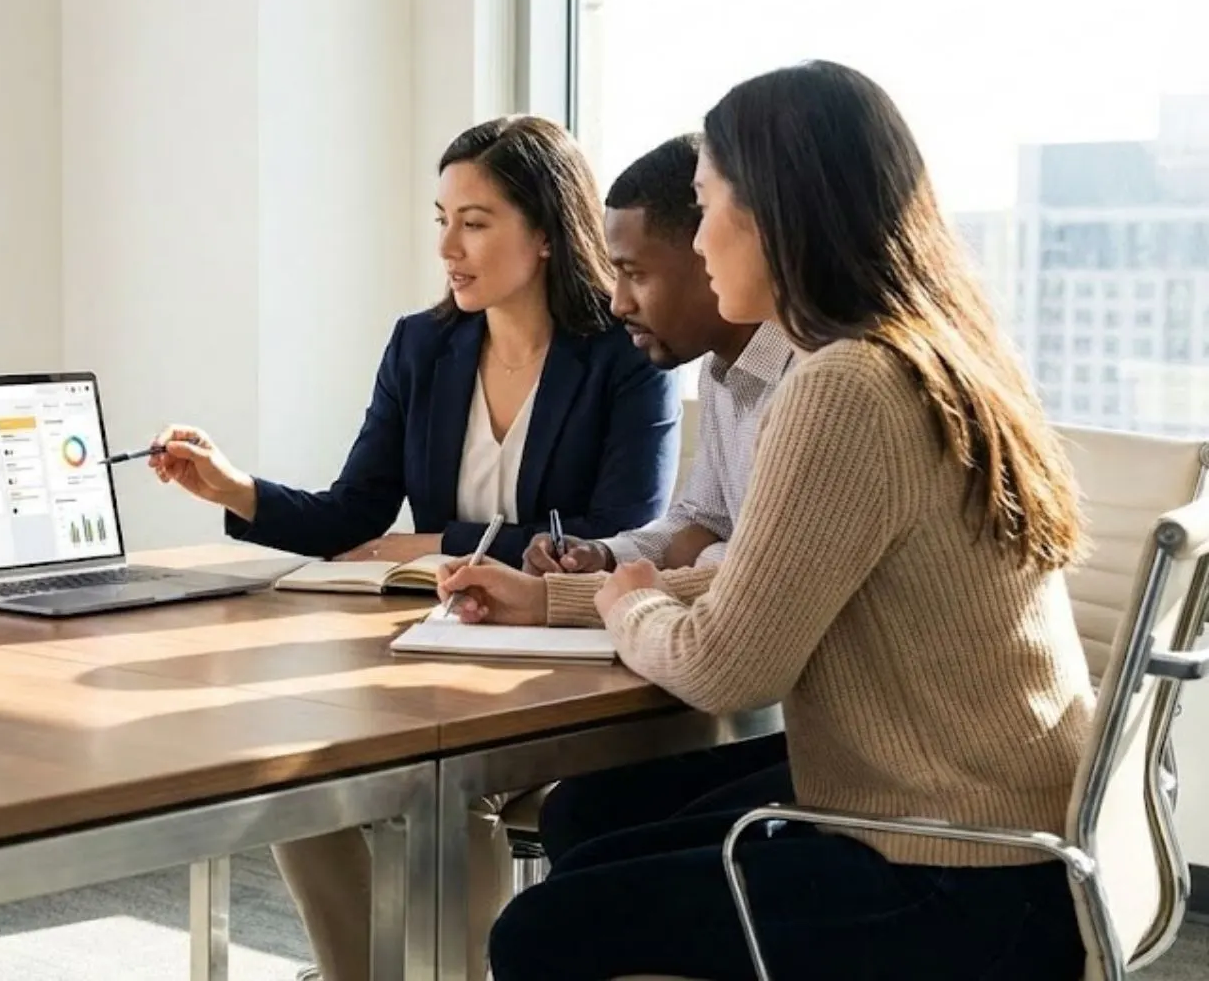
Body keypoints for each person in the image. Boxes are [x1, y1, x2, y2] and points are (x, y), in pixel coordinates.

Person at [468, 60, 1094, 980]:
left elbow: (728, 665)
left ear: (773, 215)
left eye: (708, 201)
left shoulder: (846, 384)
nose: (704, 234)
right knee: (593, 825)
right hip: (1004, 833)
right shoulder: (929, 354)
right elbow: (766, 575)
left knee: (541, 930)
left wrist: (624, 604)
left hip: (955, 873)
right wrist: (575, 597)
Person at [149, 115, 681, 981]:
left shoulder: (627, 357)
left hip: (567, 659)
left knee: (451, 789)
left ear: (545, 232)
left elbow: (612, 533)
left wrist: (444, 538)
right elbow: (354, 511)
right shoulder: (423, 345)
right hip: (436, 649)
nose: (448, 247)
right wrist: (235, 489)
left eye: (474, 222)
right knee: (308, 782)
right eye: (442, 219)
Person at [438, 132, 798, 861]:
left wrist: (577, 599)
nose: (617, 299)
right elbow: (701, 525)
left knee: (566, 888)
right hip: (793, 725)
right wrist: (602, 558)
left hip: (834, 757)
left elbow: (742, 591)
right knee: (584, 819)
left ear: (711, 256)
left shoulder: (816, 385)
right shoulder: (729, 375)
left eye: (633, 272)